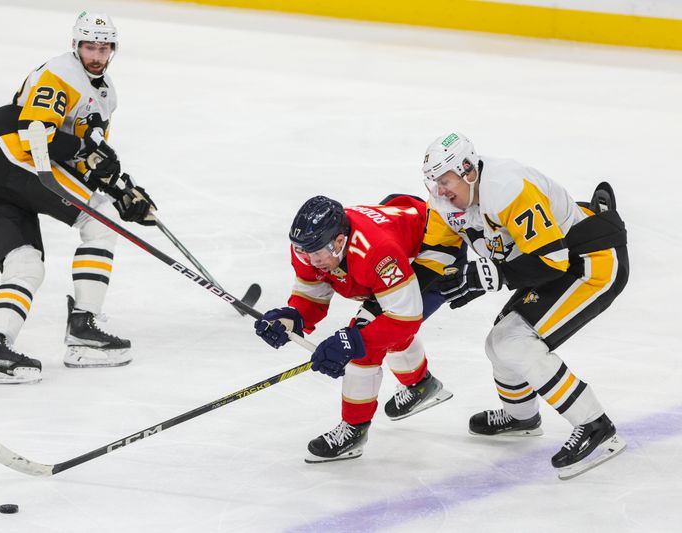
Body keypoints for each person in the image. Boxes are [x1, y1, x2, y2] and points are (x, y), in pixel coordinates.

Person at [422, 132, 628, 478]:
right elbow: (431, 266)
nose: (439, 191)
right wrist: (392, 318)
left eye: (445, 181)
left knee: (513, 342)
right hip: (555, 264)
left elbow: (551, 261)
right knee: (498, 342)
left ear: (469, 171)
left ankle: (596, 427)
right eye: (433, 183)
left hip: (591, 262)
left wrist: (478, 279)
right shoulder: (447, 204)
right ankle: (522, 417)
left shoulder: (507, 187)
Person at [0, 11, 157, 384]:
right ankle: (83, 327)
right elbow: (34, 132)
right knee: (99, 222)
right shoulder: (60, 74)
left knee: (25, 265)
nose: (97, 55)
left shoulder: (105, 96)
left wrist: (122, 190)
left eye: (104, 48)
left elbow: (88, 157)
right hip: (12, 156)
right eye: (89, 46)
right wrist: (98, 173)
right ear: (75, 46)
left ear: (113, 49)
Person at [254, 195, 453, 463]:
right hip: (402, 237)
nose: (310, 261)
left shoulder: (376, 252)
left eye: (316, 253)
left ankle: (354, 430)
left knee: (365, 345)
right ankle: (422, 385)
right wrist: (291, 319)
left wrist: (353, 342)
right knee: (373, 332)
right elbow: (313, 294)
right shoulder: (310, 247)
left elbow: (405, 317)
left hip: (433, 252)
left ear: (339, 242)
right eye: (304, 252)